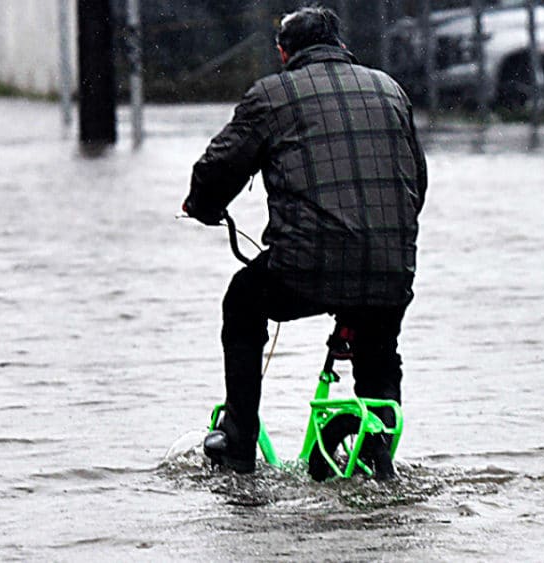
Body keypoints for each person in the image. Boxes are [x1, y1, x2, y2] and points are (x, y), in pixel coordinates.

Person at [182, 6, 428, 480]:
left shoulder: (272, 95)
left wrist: (203, 205)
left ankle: (238, 440)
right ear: (341, 44)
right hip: (391, 266)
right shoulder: (389, 89)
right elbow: (416, 178)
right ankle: (379, 448)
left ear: (283, 51)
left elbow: (220, 165)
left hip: (304, 267)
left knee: (242, 300)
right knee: (379, 346)